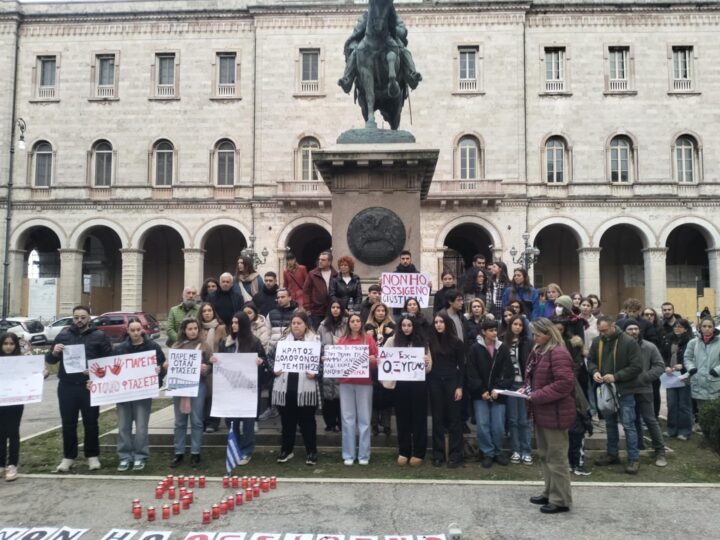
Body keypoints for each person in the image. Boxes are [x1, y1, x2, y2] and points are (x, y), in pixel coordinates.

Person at [46, 305, 112, 473]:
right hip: (67, 386)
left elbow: (109, 360)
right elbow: (51, 360)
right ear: (72, 318)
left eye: (83, 317)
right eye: (76, 317)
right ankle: (68, 457)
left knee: (91, 422)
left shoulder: (99, 336)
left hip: (89, 386)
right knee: (68, 423)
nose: (79, 320)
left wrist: (95, 371)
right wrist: (54, 352)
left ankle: (92, 456)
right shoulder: (63, 335)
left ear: (89, 318)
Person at [523, 318, 576, 514]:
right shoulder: (539, 351)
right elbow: (535, 378)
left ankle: (561, 499)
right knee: (545, 455)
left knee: (557, 457)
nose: (534, 337)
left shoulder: (558, 352)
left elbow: (564, 383)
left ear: (548, 334)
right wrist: (526, 390)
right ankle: (549, 491)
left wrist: (536, 395)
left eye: (537, 334)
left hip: (555, 413)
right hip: (542, 411)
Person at [587, 316, 643, 474]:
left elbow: (637, 366)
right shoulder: (598, 341)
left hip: (624, 389)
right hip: (606, 390)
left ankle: (633, 458)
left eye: (604, 330)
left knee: (628, 425)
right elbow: (590, 361)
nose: (602, 333)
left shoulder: (628, 342)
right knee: (610, 424)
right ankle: (612, 454)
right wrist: (595, 371)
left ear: (613, 326)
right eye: (600, 331)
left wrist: (616, 376)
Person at [215, 311, 268, 466]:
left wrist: (260, 361)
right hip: (231, 388)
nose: (234, 325)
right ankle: (235, 447)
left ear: (244, 324)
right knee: (233, 420)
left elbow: (264, 360)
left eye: (237, 323)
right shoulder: (226, 342)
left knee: (248, 421)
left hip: (248, 388)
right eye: (232, 323)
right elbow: (222, 360)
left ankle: (247, 450)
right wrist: (215, 360)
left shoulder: (254, 342)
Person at [113, 319, 165, 471]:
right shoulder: (120, 349)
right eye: (132, 330)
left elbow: (162, 366)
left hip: (143, 394)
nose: (136, 333)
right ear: (127, 331)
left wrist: (159, 371)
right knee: (123, 426)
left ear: (142, 330)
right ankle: (124, 457)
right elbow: (112, 369)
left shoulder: (153, 347)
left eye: (138, 329)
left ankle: (140, 456)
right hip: (124, 394)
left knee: (141, 427)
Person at [271, 311, 320, 466]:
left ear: (306, 325)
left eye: (299, 323)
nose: (296, 326)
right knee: (287, 422)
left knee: (308, 422)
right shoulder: (283, 341)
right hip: (285, 388)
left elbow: (324, 361)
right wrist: (274, 368)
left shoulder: (315, 341)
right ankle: (286, 449)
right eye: (293, 323)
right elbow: (270, 357)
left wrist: (316, 372)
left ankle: (311, 451)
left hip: (307, 389)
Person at [466, 319, 514, 468]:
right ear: (483, 332)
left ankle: (498, 451)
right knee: (483, 424)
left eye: (495, 330)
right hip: (480, 395)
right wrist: (482, 390)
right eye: (491, 330)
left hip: (498, 395)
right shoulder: (475, 349)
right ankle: (488, 452)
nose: (494, 333)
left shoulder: (503, 349)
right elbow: (471, 372)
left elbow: (508, 372)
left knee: (498, 426)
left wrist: (497, 389)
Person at [385, 315, 431, 466]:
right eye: (403, 325)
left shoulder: (422, 342)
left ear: (414, 326)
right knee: (402, 418)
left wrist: (426, 362)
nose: (406, 328)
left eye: (409, 325)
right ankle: (404, 450)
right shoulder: (392, 341)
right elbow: (385, 360)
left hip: (418, 385)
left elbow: (430, 366)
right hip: (401, 385)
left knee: (419, 418)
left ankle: (419, 452)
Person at [166, 318, 212, 468]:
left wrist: (207, 368)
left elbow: (211, 364)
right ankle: (178, 452)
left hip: (198, 386)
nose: (193, 331)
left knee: (197, 421)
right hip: (179, 386)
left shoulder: (204, 346)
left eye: (195, 328)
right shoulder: (176, 346)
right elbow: (170, 365)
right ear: (184, 330)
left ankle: (195, 453)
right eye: (189, 328)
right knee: (180, 421)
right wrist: (167, 365)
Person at [0, 333, 46, 481]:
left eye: (11, 344)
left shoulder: (23, 361)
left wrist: (42, 373)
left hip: (15, 402)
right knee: (0, 433)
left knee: (13, 432)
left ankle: (12, 465)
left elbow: (34, 375)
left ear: (16, 345)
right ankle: (1, 465)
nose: (8, 347)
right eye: (5, 343)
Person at [336, 312, 379, 465]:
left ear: (361, 323)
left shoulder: (368, 339)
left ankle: (364, 455)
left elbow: (376, 360)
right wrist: (329, 359)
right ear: (348, 324)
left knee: (364, 419)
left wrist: (372, 360)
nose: (355, 323)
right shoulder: (341, 341)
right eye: (352, 321)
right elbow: (336, 362)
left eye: (358, 321)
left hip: (364, 383)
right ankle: (348, 454)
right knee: (347, 419)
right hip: (346, 382)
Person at [624, 320, 667, 467]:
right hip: (626, 390)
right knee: (632, 420)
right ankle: (638, 446)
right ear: (624, 331)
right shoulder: (621, 347)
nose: (634, 332)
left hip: (644, 389)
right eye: (630, 329)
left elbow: (660, 366)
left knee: (650, 420)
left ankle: (660, 451)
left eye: (636, 329)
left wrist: (644, 377)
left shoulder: (649, 346)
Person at [427, 312, 465, 468]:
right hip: (435, 381)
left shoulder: (457, 342)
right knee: (437, 418)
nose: (438, 324)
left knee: (454, 419)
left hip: (452, 381)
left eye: (441, 322)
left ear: (447, 323)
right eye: (436, 322)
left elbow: (462, 367)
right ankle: (438, 454)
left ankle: (456, 454)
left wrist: (460, 387)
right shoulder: (430, 341)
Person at [262, 288, 297, 422]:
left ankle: (289, 410)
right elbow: (267, 334)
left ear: (290, 297)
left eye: (283, 297)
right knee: (272, 383)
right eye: (278, 297)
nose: (280, 299)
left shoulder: (296, 313)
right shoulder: (271, 314)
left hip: (291, 355)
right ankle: (272, 408)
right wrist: (267, 351)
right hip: (274, 354)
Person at [503, 315, 534, 465]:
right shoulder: (503, 342)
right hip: (510, 386)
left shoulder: (528, 342)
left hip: (524, 384)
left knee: (525, 420)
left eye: (520, 325)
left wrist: (529, 383)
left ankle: (526, 450)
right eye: (515, 324)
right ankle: (515, 450)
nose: (517, 327)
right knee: (513, 420)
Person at [365, 302, 396, 436]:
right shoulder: (367, 327)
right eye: (378, 311)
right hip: (372, 366)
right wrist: (368, 335)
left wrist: (393, 333)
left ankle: (386, 424)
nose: (380, 313)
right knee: (374, 395)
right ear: (373, 313)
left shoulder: (392, 326)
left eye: (383, 311)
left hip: (387, 366)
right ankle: (374, 424)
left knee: (387, 395)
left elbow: (398, 342)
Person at [197, 302, 227, 434]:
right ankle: (201, 421)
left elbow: (226, 345)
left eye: (209, 310)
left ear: (213, 312)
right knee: (202, 395)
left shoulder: (220, 328)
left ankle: (213, 422)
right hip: (199, 367)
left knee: (213, 395)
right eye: (204, 311)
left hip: (215, 366)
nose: (207, 313)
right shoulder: (197, 328)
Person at [661, 318, 693, 440]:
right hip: (670, 376)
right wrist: (666, 366)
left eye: (680, 326)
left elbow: (693, 358)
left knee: (684, 405)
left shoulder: (691, 341)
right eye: (675, 326)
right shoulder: (668, 339)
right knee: (671, 403)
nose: (677, 328)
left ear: (685, 328)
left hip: (684, 375)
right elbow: (662, 355)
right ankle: (672, 429)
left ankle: (684, 431)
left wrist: (683, 365)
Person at [317, 301, 347, 432]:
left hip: (343, 365)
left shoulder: (347, 324)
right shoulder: (322, 326)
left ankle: (341, 423)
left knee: (342, 396)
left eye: (338, 307)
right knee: (328, 395)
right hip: (327, 365)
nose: (335, 310)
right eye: (333, 307)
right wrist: (321, 356)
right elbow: (318, 345)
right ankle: (329, 423)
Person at [684, 316, 720, 416]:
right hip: (698, 383)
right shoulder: (693, 342)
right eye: (704, 326)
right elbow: (687, 358)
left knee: (715, 414)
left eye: (710, 326)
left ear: (714, 328)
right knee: (703, 414)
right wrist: (691, 368)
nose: (707, 328)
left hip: (714, 383)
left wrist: (717, 370)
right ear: (700, 327)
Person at [303, 251, 337, 329]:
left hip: (331, 310)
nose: (320, 262)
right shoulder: (312, 274)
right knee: (317, 333)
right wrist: (307, 307)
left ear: (329, 262)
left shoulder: (336, 274)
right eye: (319, 259)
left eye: (323, 260)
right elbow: (306, 291)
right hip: (316, 310)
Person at [641, 306, 663, 416]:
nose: (649, 317)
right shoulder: (639, 330)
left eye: (651, 314)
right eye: (646, 314)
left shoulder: (659, 329)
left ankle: (655, 415)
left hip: (655, 366)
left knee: (655, 393)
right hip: (643, 366)